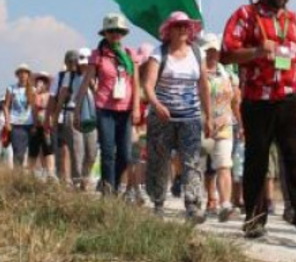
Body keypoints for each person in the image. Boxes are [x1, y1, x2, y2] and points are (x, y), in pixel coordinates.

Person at [221, 0, 296, 243]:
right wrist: (256, 51)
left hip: (289, 100)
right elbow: (226, 54)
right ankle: (254, 221)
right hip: (257, 101)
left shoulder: (294, 20)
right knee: (257, 160)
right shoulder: (246, 15)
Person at [141, 12, 212, 222]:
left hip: (190, 118)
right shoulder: (159, 53)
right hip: (162, 119)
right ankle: (158, 203)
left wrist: (208, 116)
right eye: (178, 25)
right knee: (159, 160)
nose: (183, 29)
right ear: (169, 30)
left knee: (192, 161)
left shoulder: (197, 53)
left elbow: (204, 86)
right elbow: (148, 85)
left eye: (185, 26)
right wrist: (157, 105)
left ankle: (193, 205)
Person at [76, 13, 141, 196]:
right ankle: (108, 191)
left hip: (126, 109)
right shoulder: (97, 55)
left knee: (125, 154)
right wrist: (77, 109)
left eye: (118, 31)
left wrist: (136, 107)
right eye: (111, 31)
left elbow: (136, 83)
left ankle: (115, 184)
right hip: (104, 108)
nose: (115, 34)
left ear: (123, 33)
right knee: (107, 151)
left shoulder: (130, 54)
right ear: (105, 33)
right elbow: (85, 82)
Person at [200, 33, 240, 221]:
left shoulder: (228, 74)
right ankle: (207, 200)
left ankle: (225, 205)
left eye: (214, 50)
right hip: (201, 125)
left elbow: (236, 100)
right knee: (203, 165)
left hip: (224, 125)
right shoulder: (196, 73)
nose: (212, 54)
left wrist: (239, 121)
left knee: (224, 164)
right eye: (208, 50)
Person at [52, 49, 98, 189]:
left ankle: (85, 177)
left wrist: (91, 82)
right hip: (72, 113)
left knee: (92, 151)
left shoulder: (95, 75)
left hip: (91, 115)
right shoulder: (69, 76)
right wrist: (55, 116)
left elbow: (98, 95)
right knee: (78, 150)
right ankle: (78, 181)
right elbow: (61, 96)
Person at [3, 65, 36, 168]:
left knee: (28, 151)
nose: (23, 75)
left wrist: (35, 124)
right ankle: (17, 172)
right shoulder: (11, 88)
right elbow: (6, 106)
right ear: (17, 75)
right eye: (20, 73)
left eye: (25, 73)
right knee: (18, 151)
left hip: (29, 124)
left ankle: (24, 172)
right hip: (16, 123)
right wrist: (7, 122)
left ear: (28, 75)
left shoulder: (33, 90)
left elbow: (34, 108)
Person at [29, 72, 55, 175]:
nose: (40, 83)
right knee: (34, 149)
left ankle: (50, 172)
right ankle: (31, 171)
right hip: (36, 126)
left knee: (48, 149)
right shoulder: (34, 95)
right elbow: (33, 109)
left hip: (47, 126)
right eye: (38, 81)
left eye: (44, 81)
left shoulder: (50, 95)